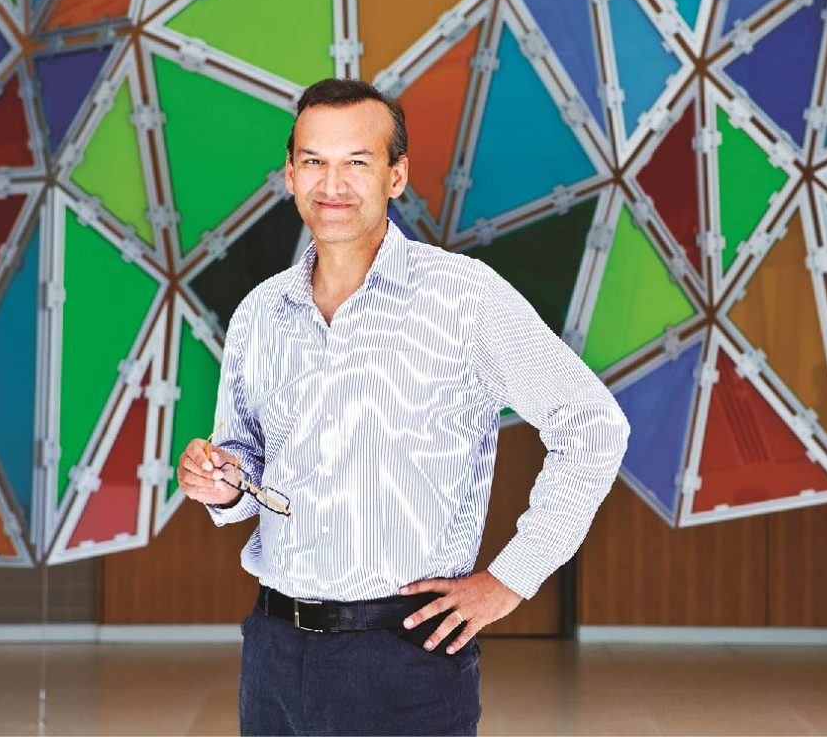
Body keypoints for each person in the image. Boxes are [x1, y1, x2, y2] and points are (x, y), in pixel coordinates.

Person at [176, 77, 630, 736]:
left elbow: (591, 425)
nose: (333, 184)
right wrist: (220, 482)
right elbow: (248, 459)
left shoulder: (464, 299)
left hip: (403, 655)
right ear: (290, 174)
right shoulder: (261, 314)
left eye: (358, 162)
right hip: (274, 648)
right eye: (314, 162)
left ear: (396, 176)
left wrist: (510, 580)